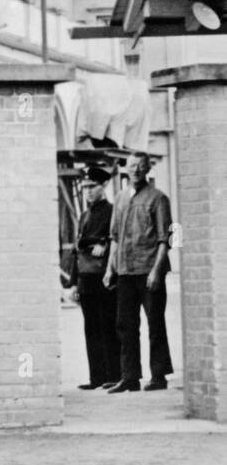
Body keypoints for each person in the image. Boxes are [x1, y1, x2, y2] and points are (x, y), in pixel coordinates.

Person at [103, 154, 173, 392]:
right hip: (125, 270)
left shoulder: (159, 198)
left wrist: (156, 271)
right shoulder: (121, 198)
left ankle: (159, 376)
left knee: (155, 324)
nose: (136, 170)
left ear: (147, 169)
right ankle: (130, 377)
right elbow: (114, 237)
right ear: (125, 168)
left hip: (149, 271)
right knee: (126, 325)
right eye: (132, 166)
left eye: (141, 166)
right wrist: (109, 268)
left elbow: (165, 239)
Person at [73, 166, 121, 390]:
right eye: (85, 188)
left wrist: (102, 243)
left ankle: (113, 375)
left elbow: (116, 241)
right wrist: (74, 283)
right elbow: (78, 249)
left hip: (104, 277)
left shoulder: (112, 212)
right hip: (86, 278)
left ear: (104, 186)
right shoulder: (84, 215)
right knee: (91, 329)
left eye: (92, 187)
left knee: (108, 327)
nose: (88, 191)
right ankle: (97, 377)